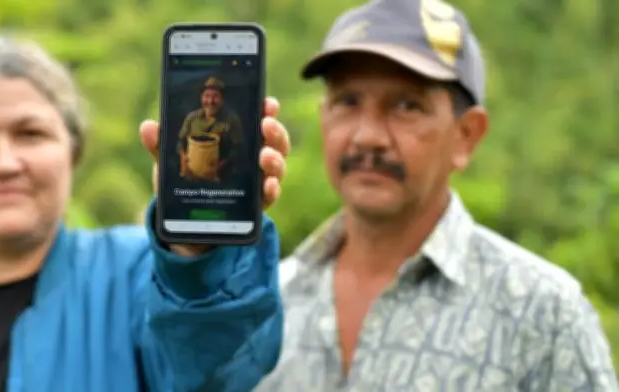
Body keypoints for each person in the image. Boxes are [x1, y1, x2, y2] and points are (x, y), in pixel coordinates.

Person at [0, 35, 292, 392]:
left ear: (73, 151)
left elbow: (220, 367)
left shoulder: (143, 279)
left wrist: (196, 257)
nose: (4, 163)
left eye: (30, 134)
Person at [255, 0, 619, 391]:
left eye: (406, 106)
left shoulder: (541, 313)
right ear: (323, 113)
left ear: (467, 135)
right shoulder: (265, 300)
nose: (367, 136)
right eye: (347, 102)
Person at [177, 76, 244, 182]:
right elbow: (181, 142)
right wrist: (183, 161)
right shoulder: (192, 118)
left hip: (222, 179)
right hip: (192, 176)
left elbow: (238, 149)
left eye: (215, 96)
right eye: (206, 96)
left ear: (222, 99)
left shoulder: (231, 120)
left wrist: (218, 168)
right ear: (201, 98)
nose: (210, 101)